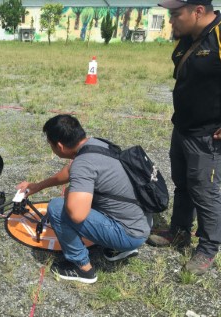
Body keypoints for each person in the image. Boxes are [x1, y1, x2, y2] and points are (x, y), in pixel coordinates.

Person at [17, 115, 152, 284]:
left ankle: (82, 268)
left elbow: (77, 215)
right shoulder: (96, 144)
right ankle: (118, 249)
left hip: (129, 233)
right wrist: (38, 186)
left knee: (58, 208)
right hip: (142, 222)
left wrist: (70, 196)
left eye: (50, 144)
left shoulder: (83, 164)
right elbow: (69, 171)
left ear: (59, 145)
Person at [147, 0, 221, 275]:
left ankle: (208, 247)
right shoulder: (190, 37)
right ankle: (179, 231)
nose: (171, 21)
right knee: (183, 185)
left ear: (198, 11)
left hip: (207, 134)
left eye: (175, 15)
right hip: (183, 128)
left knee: (205, 191)